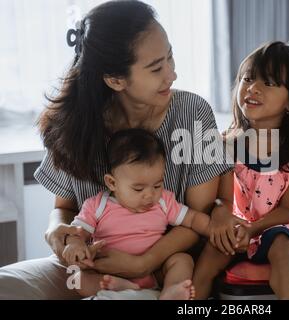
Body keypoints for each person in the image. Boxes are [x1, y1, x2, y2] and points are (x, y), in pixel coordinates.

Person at [0, 0, 233, 299]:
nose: (171, 74)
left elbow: (197, 217)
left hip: (169, 269)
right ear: (114, 80)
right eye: (156, 67)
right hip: (92, 270)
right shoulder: (72, 124)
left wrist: (142, 262)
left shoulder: (192, 112)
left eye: (170, 57)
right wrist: (57, 234)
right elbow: (64, 209)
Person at [193, 41, 289, 300]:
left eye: (269, 83)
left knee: (281, 245)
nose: (253, 88)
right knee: (212, 251)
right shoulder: (227, 144)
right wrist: (226, 219)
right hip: (241, 223)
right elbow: (224, 199)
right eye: (248, 79)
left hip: (284, 224)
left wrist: (254, 230)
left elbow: (287, 210)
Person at [63, 128, 213, 299]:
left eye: (157, 185)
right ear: (112, 182)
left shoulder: (164, 201)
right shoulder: (97, 205)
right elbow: (77, 231)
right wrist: (75, 245)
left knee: (183, 260)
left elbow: (192, 218)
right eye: (138, 188)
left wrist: (214, 229)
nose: (150, 195)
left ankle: (171, 290)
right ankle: (121, 286)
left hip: (155, 272)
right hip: (109, 271)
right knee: (77, 279)